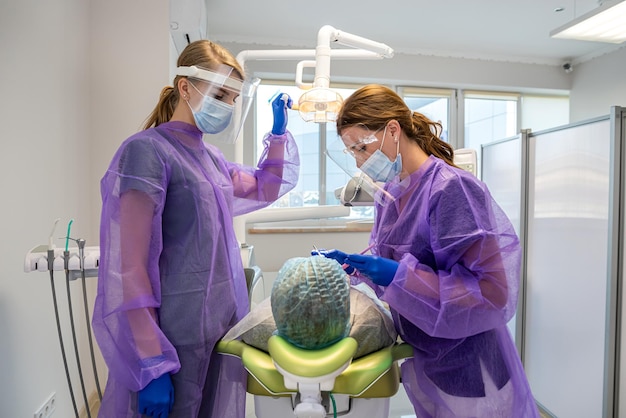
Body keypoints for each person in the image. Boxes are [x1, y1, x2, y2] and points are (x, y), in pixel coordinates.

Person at [92, 40, 299, 418]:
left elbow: (263, 187)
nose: (228, 107)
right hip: (171, 338)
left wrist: (279, 135)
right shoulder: (146, 152)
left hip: (219, 330)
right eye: (221, 94)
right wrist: (152, 361)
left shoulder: (212, 158)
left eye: (234, 98)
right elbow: (129, 266)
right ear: (185, 87)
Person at [317, 84, 539, 417]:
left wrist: (400, 276)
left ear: (393, 130)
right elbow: (398, 269)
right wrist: (358, 268)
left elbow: (494, 292)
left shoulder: (452, 188)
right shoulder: (390, 193)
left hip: (471, 365)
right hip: (426, 358)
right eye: (353, 153)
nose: (361, 163)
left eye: (363, 147)